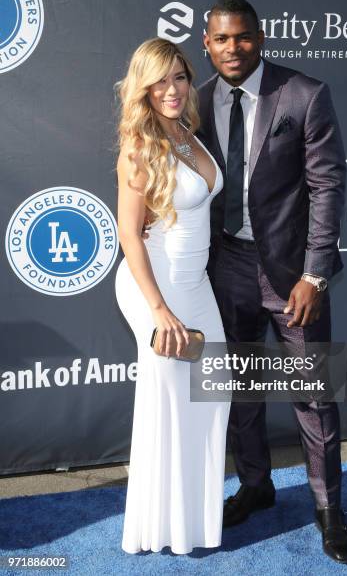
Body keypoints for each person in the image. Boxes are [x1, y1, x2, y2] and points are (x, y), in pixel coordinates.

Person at [197, 0, 347, 563]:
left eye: (242, 37)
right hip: (225, 268)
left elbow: (328, 188)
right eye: (221, 39)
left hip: (293, 275)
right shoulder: (195, 102)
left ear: (259, 38)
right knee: (241, 391)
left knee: (313, 395)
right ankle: (256, 487)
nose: (232, 48)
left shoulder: (303, 94)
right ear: (207, 43)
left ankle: (330, 509)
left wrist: (314, 275)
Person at [114, 38, 230, 555]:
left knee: (213, 390)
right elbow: (128, 235)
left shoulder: (188, 134)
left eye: (179, 77)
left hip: (195, 283)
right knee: (166, 403)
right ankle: (157, 529)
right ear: (144, 88)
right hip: (152, 286)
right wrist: (159, 311)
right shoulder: (139, 148)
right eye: (159, 81)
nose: (171, 89)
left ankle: (195, 523)